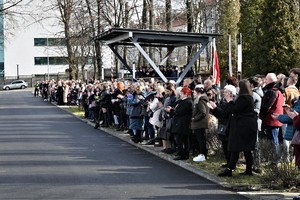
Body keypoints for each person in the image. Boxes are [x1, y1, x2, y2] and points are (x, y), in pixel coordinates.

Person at [218, 80, 258, 177]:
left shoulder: (244, 98)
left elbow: (234, 110)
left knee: (236, 148)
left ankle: (230, 169)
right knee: (246, 149)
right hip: (246, 126)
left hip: (242, 126)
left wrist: (230, 101)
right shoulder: (249, 97)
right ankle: (247, 170)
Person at [208, 84, 236, 167]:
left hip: (229, 127)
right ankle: (228, 162)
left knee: (229, 146)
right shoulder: (224, 102)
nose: (224, 93)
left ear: (231, 93)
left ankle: (231, 164)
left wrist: (215, 108)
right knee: (224, 146)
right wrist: (213, 109)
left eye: (226, 92)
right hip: (222, 126)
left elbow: (225, 114)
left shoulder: (232, 103)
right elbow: (220, 115)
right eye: (224, 91)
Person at [259, 73, 285, 165]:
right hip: (276, 119)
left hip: (272, 119)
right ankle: (274, 159)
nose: (265, 81)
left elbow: (267, 106)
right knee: (275, 140)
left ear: (269, 80)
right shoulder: (279, 90)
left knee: (274, 140)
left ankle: (275, 160)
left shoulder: (272, 91)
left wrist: (261, 116)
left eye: (266, 79)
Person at [165, 87, 193, 160]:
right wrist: (171, 109)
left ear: (185, 94)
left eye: (181, 93)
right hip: (179, 122)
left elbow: (179, 112)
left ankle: (183, 154)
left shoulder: (188, 102)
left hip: (183, 123)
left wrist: (171, 110)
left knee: (182, 139)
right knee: (179, 138)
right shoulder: (181, 101)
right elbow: (176, 108)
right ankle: (181, 152)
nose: (180, 94)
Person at [190, 85, 209, 162]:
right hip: (199, 123)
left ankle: (203, 154)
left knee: (201, 140)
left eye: (194, 92)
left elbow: (203, 112)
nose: (193, 93)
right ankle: (201, 154)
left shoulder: (201, 100)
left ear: (198, 92)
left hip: (200, 123)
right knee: (200, 139)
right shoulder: (199, 99)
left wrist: (195, 118)